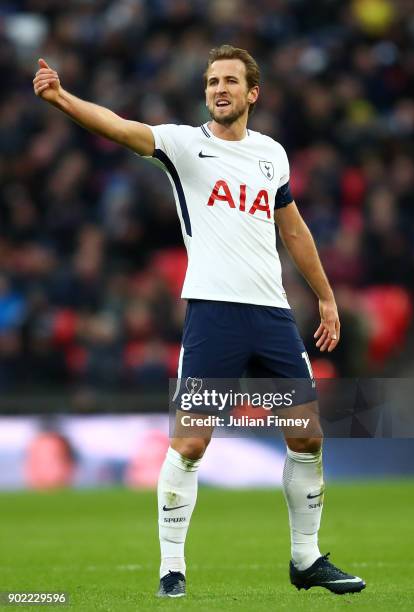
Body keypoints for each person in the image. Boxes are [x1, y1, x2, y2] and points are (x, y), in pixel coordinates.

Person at [33, 44, 365, 598]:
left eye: (230, 81)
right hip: (213, 316)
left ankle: (305, 560)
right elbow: (119, 127)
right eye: (212, 81)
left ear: (252, 93)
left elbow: (295, 231)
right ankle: (171, 568)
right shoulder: (186, 145)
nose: (219, 89)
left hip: (273, 317)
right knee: (190, 445)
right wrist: (63, 98)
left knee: (307, 438)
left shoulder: (271, 156)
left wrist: (326, 298)